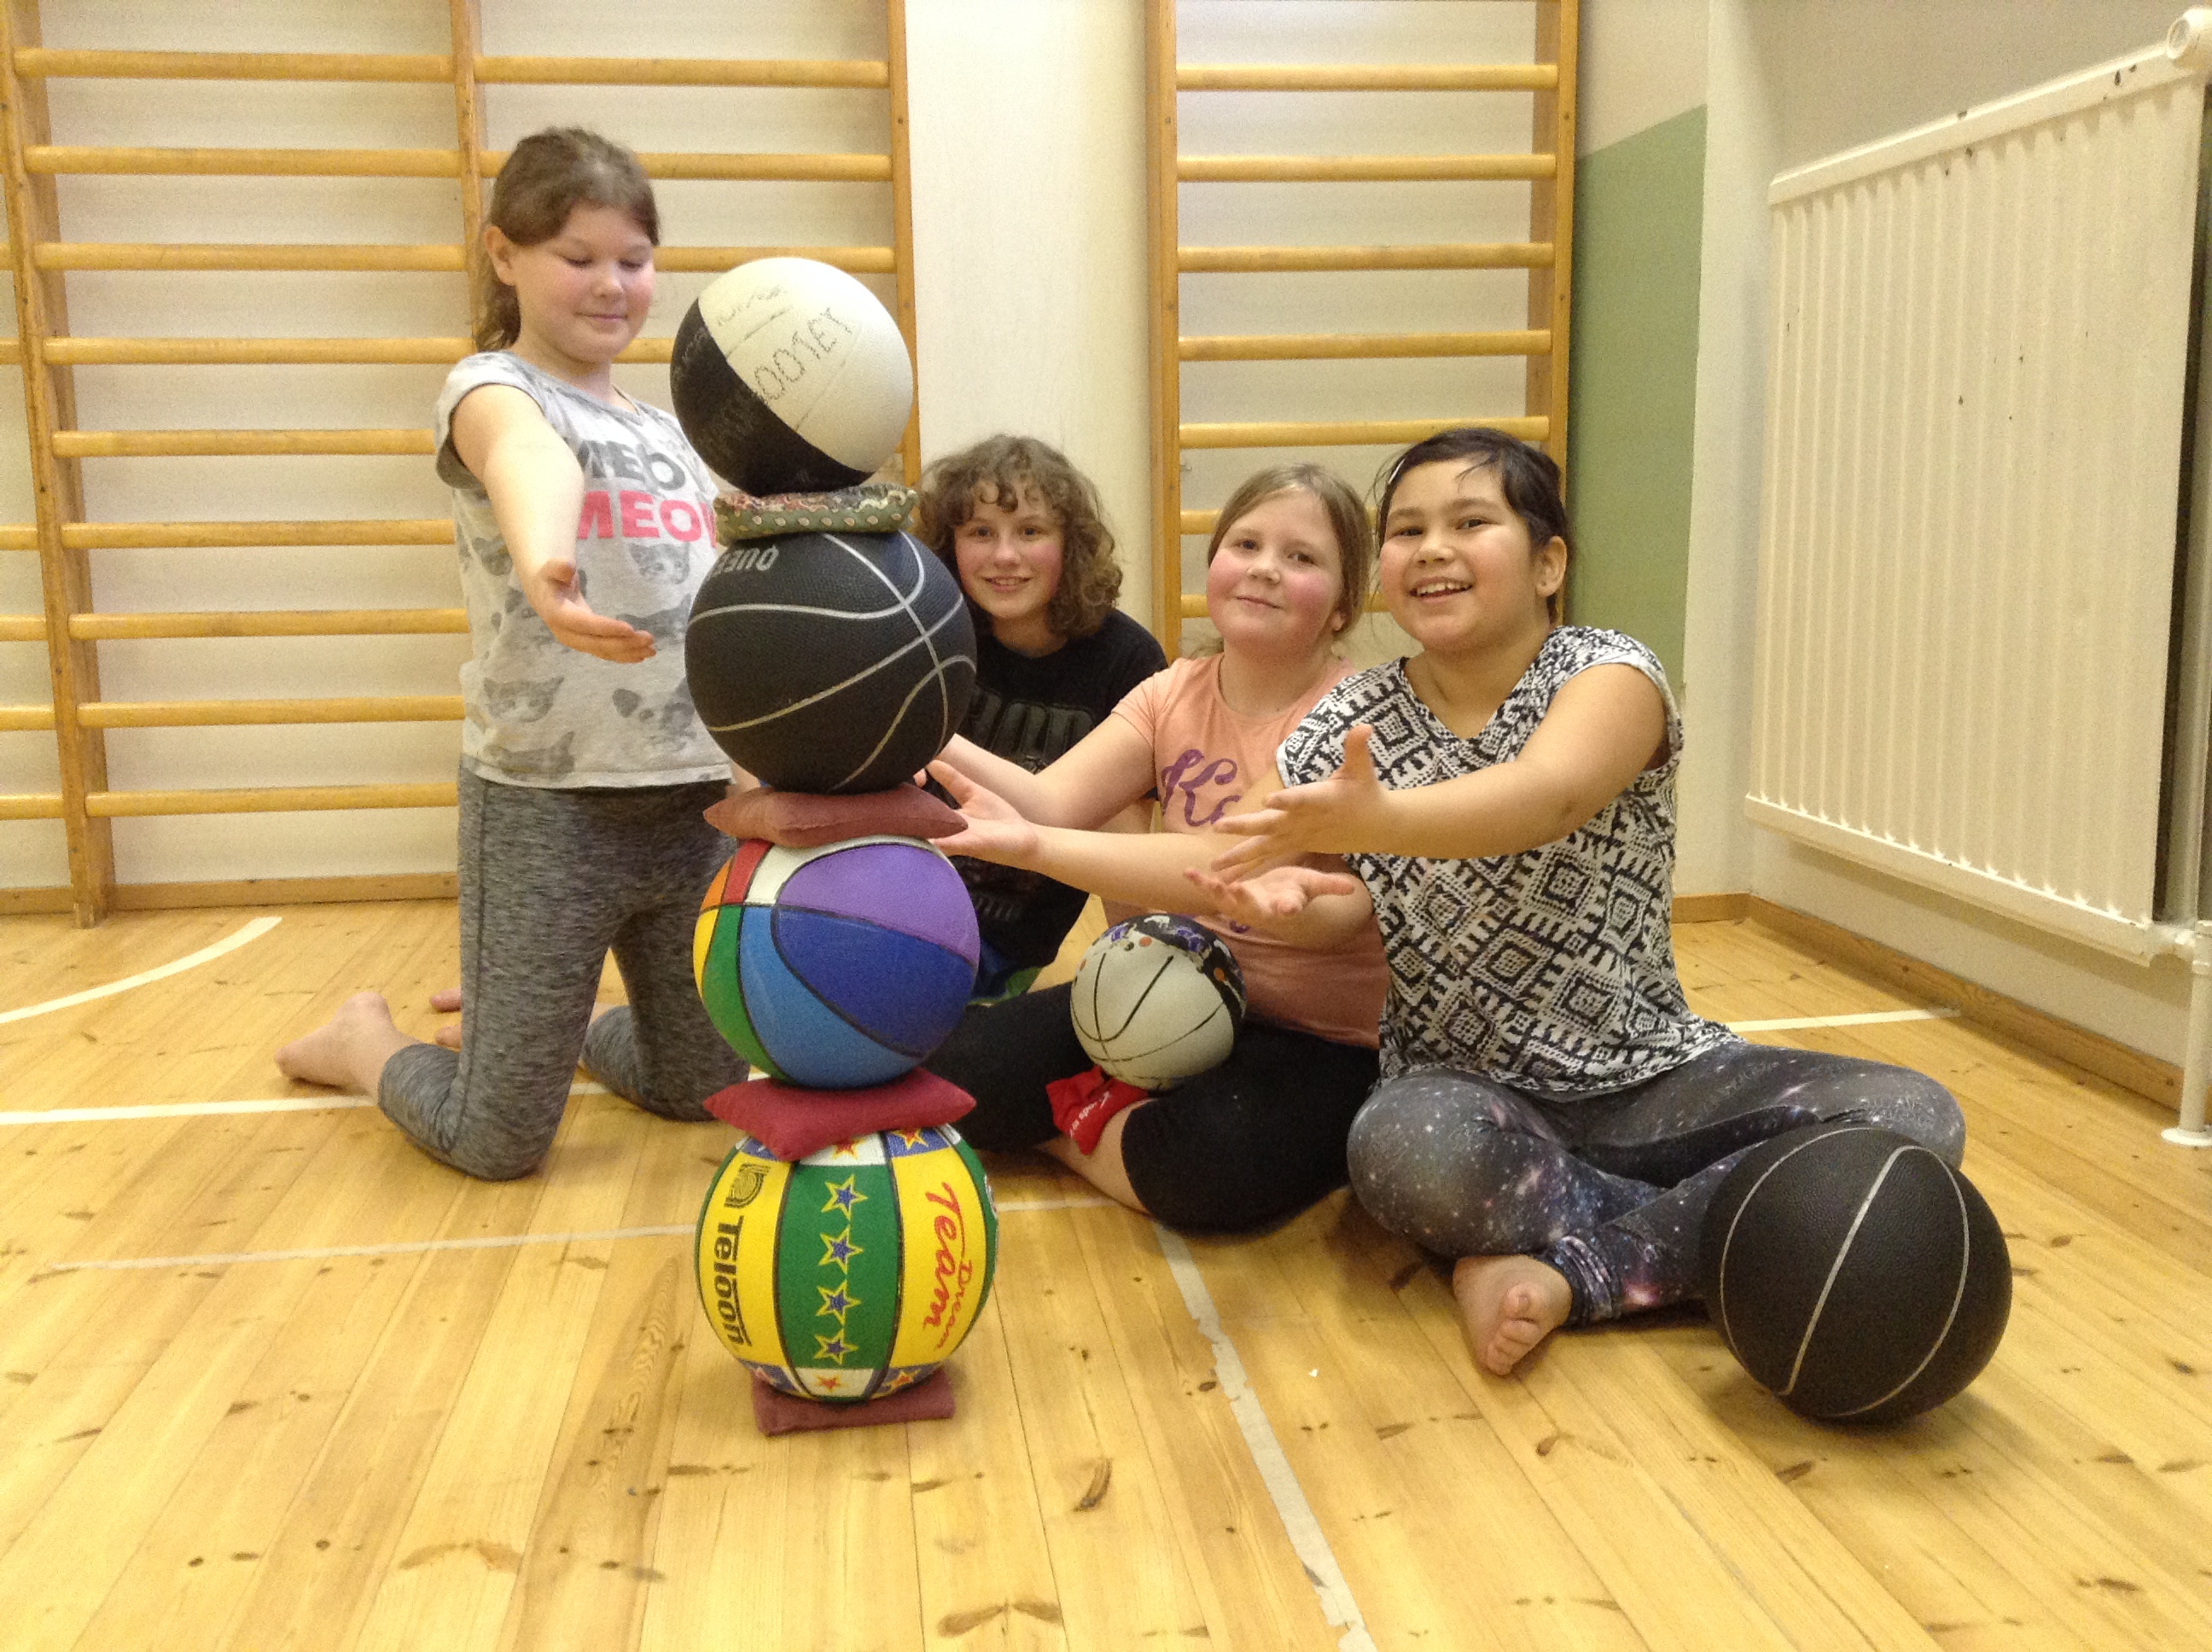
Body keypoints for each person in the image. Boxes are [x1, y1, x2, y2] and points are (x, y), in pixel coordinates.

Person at [1195, 428, 1966, 1373]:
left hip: (1654, 1075)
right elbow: (1239, 861)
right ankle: (1712, 1230)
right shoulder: (1347, 721)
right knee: (1399, 1154)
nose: (1432, 548)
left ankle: (1573, 1264)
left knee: (1914, 1113)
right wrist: (1060, 848)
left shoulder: (1608, 672)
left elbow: (1545, 795)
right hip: (1467, 1093)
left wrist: (1382, 818)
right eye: (1406, 530)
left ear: (1548, 563)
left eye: (1469, 522)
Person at [276, 128, 747, 1178]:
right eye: (578, 257)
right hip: (548, 804)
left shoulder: (672, 433)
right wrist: (546, 567)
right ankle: (363, 1041)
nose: (611, 284)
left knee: (704, 1090)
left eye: (634, 259)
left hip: (691, 801)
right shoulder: (492, 389)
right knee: (495, 1141)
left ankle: (548, 1032)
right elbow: (530, 459)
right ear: (503, 253)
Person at [921, 463, 1389, 1230]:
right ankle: (1120, 1123)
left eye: (1302, 557)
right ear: (1214, 563)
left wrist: (1035, 847)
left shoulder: (1356, 713)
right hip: (1167, 991)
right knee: (952, 1072)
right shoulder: (1170, 691)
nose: (1266, 568)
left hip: (1314, 1035)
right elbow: (1052, 802)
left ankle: (1078, 1127)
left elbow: (1216, 863)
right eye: (1246, 544)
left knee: (1207, 1169)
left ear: (1342, 604)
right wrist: (917, 720)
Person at [915, 435, 1165, 1000]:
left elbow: (1124, 848)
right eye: (981, 532)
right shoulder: (930, 632)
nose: (1005, 556)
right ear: (950, 545)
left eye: (1030, 531)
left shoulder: (1126, 659)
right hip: (899, 907)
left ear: (1070, 545)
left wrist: (1136, 981)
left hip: (1006, 944)